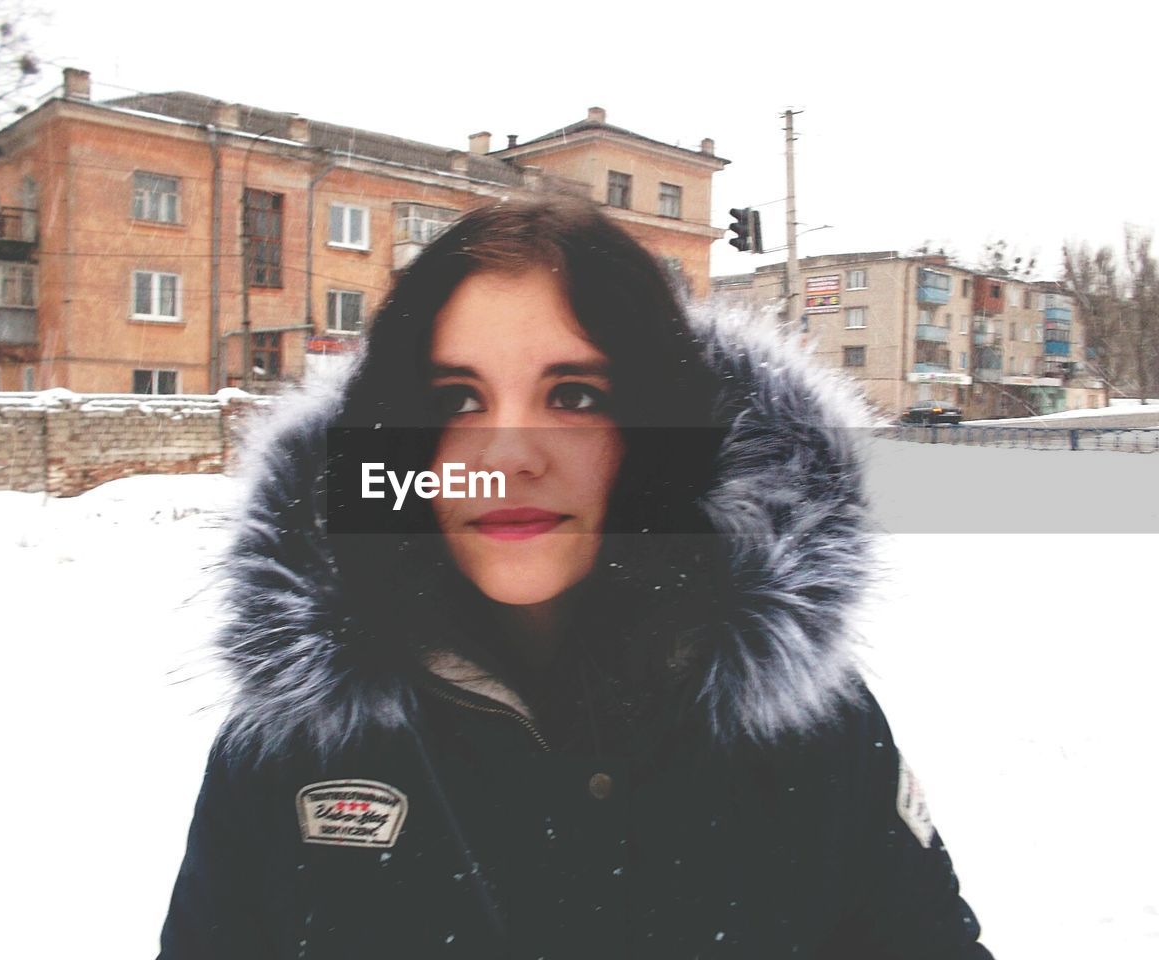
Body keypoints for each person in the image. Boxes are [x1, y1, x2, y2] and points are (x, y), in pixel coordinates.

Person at [158, 198, 993, 959]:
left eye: (576, 396)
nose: (510, 455)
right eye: (456, 398)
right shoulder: (297, 741)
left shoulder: (807, 725)